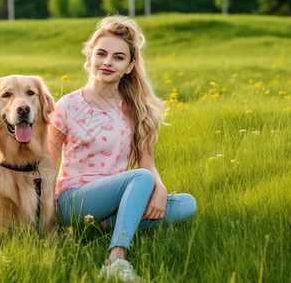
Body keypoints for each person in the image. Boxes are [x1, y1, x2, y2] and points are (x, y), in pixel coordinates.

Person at [48, 15, 196, 281]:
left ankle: (106, 223)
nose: (107, 62)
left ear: (129, 66)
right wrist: (44, 219)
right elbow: (47, 164)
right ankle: (117, 258)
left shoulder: (135, 109)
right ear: (89, 58)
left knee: (186, 204)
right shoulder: (66, 105)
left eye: (118, 57)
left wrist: (159, 189)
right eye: (101, 54)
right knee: (141, 178)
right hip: (73, 201)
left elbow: (147, 162)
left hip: (116, 200)